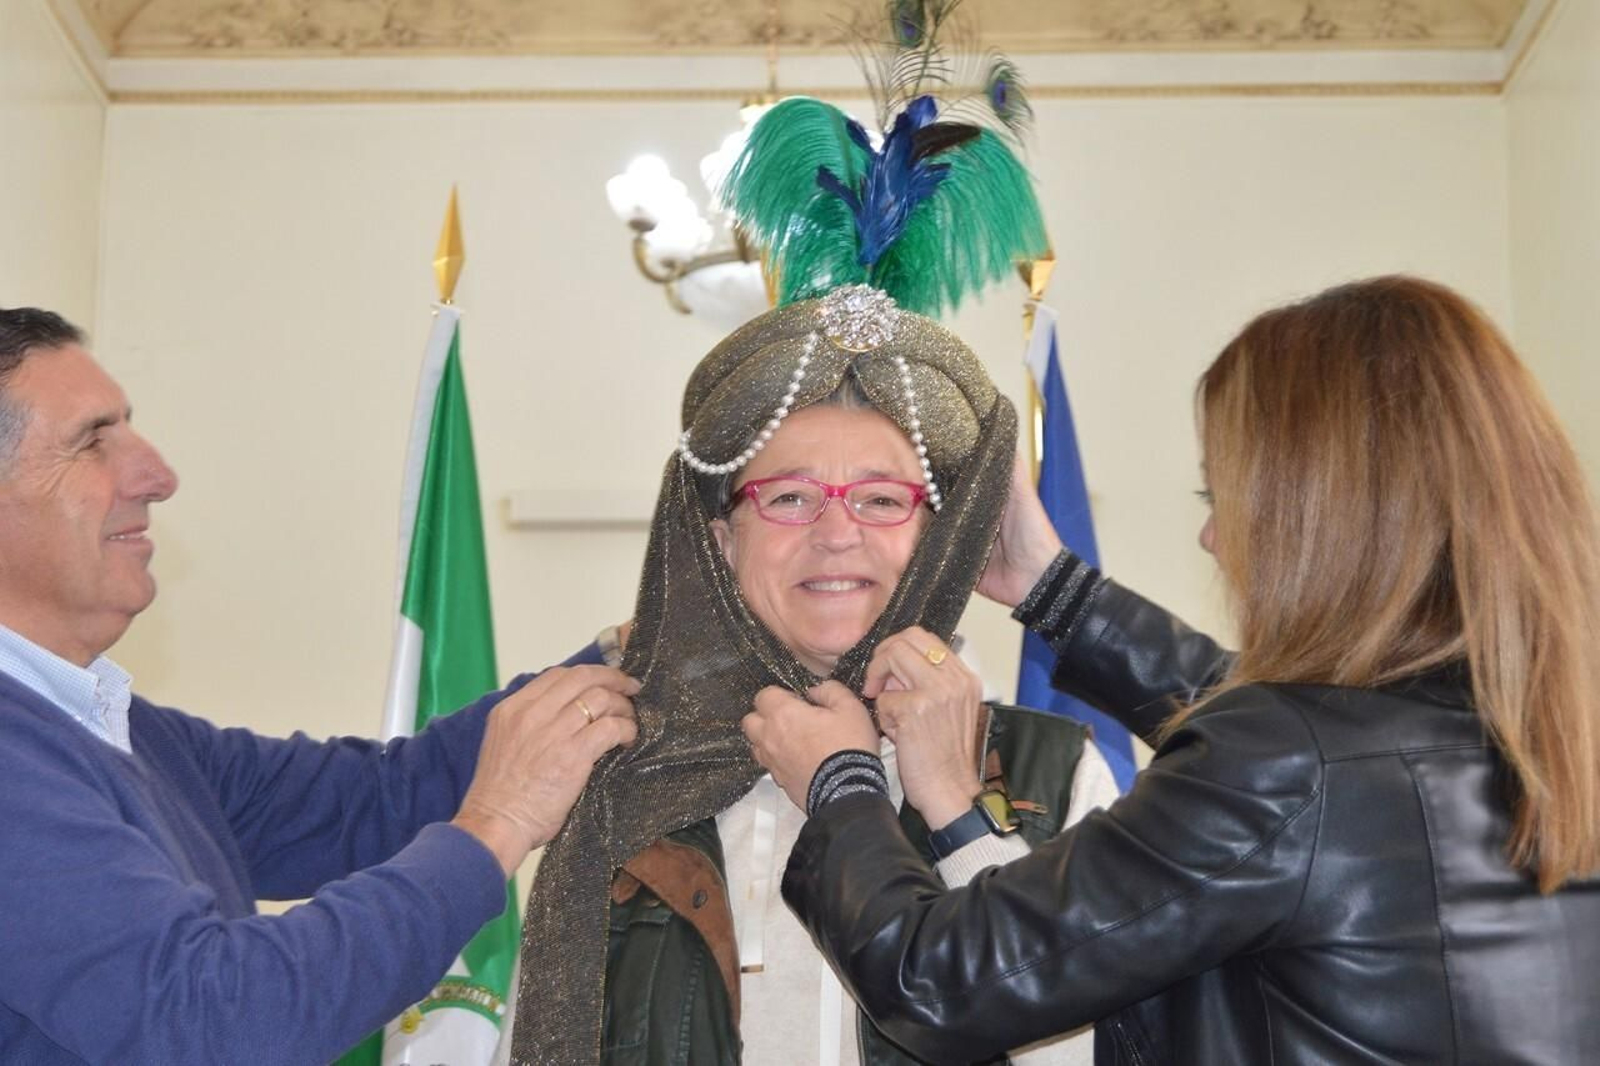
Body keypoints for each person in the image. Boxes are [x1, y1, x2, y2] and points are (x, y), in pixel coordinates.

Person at [747, 275, 1600, 1064]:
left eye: (1221, 498)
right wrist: (1058, 592)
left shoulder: (1286, 766)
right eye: (789, 498)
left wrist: (842, 785)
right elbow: (1313, 745)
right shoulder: (1535, 722)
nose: (1213, 538)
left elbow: (937, 985)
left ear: (1324, 517)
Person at [506, 78, 1121, 1064]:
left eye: (880, 499)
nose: (837, 535)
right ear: (717, 534)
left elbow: (1092, 1048)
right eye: (789, 497)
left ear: (936, 535)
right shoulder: (604, 775)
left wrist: (956, 811)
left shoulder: (1055, 776)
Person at [0, 307, 639, 1065]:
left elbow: (376, 801)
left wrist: (637, 652)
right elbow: (213, 1017)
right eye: (92, 442)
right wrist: (497, 825)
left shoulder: (114, 725)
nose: (158, 476)